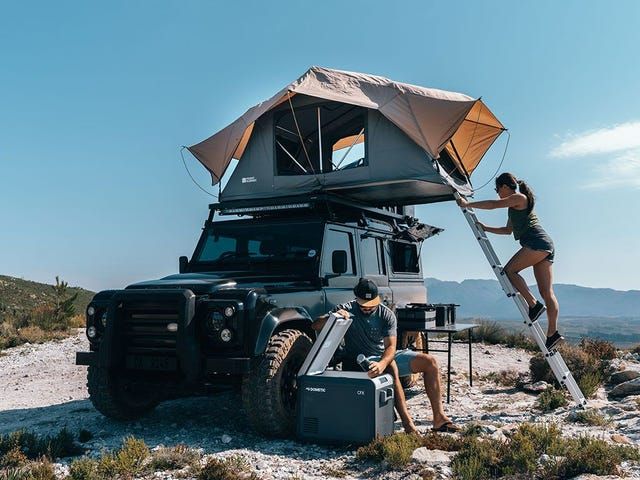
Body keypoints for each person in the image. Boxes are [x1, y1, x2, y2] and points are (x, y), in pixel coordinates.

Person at [312, 278, 458, 434]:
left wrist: (381, 363)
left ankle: (439, 418)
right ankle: (408, 425)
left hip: (383, 357)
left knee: (430, 362)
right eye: (364, 305)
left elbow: (390, 347)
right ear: (356, 299)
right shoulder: (346, 309)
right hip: (360, 361)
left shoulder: (386, 314)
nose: (368, 309)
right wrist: (333, 317)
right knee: (391, 366)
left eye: (371, 305)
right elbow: (314, 325)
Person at [456, 172, 563, 350]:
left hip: (537, 242)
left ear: (505, 186)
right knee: (547, 292)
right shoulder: (514, 206)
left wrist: (467, 203)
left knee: (510, 271)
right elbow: (507, 230)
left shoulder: (518, 198)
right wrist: (485, 228)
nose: (498, 193)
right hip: (544, 245)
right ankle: (553, 333)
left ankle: (534, 305)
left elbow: (493, 205)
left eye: (497, 189)